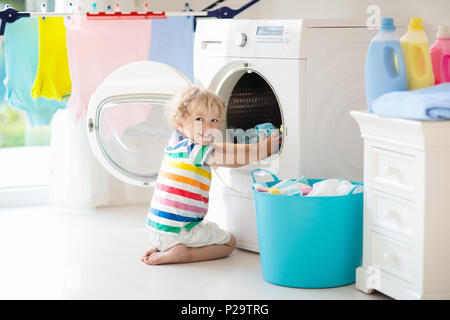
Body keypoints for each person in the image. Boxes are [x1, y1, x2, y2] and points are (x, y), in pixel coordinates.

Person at [141, 86, 282, 265]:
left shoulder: (177, 144)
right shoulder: (197, 151)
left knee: (178, 234)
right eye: (199, 119)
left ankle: (161, 247)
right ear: (180, 123)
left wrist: (254, 147)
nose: (208, 127)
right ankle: (182, 254)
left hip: (154, 229)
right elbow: (233, 159)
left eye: (214, 120)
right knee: (230, 243)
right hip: (181, 230)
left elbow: (222, 148)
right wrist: (262, 151)